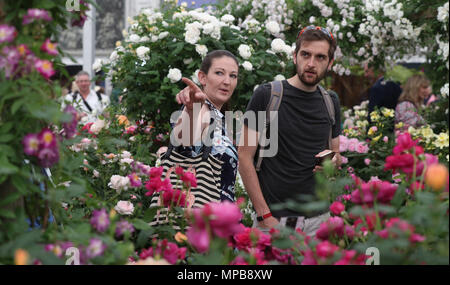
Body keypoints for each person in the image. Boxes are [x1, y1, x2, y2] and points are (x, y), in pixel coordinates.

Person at [238, 26, 342, 236]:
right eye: (306, 54)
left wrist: (332, 162)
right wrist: (264, 216)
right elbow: (244, 157)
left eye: (320, 57)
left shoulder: (331, 101)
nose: (311, 63)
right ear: (295, 56)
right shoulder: (265, 95)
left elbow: (336, 154)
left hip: (318, 221)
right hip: (273, 221)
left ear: (330, 63)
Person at [173, 50, 239, 202]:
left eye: (233, 76)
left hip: (221, 218)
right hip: (200, 218)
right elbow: (183, 140)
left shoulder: (220, 118)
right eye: (219, 73)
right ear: (202, 77)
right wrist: (191, 110)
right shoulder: (199, 110)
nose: (227, 81)